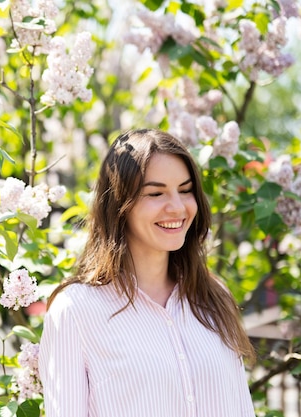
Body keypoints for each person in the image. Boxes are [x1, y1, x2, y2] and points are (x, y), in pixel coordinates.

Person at [38, 129, 255, 417]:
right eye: (156, 193)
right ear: (119, 205)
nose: (177, 207)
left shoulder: (215, 299)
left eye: (186, 190)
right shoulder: (75, 311)